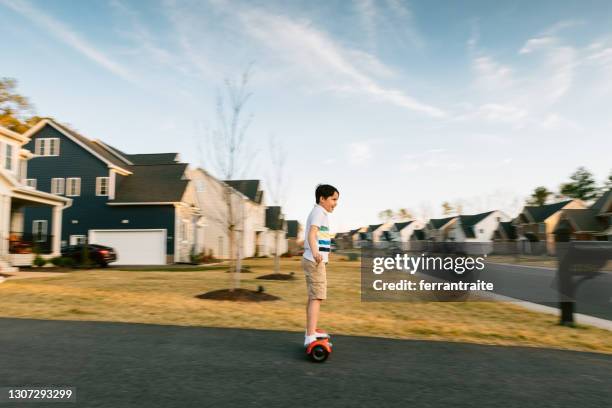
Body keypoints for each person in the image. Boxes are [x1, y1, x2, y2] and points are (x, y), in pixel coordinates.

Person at [302, 184, 339, 347]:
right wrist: (316, 253)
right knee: (317, 297)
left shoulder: (320, 212)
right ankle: (310, 335)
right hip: (314, 260)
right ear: (322, 199)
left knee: (314, 297)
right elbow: (312, 233)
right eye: (333, 199)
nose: (336, 203)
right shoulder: (319, 212)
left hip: (313, 260)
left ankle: (311, 331)